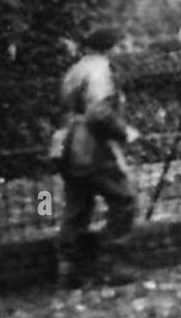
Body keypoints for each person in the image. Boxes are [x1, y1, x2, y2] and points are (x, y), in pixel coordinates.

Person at [55, 25, 139, 286]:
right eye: (121, 45)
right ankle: (110, 264)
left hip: (67, 145)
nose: (124, 50)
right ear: (110, 48)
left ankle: (70, 268)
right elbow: (98, 113)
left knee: (78, 207)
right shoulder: (100, 70)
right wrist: (124, 132)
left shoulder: (76, 69)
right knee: (124, 200)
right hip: (93, 146)